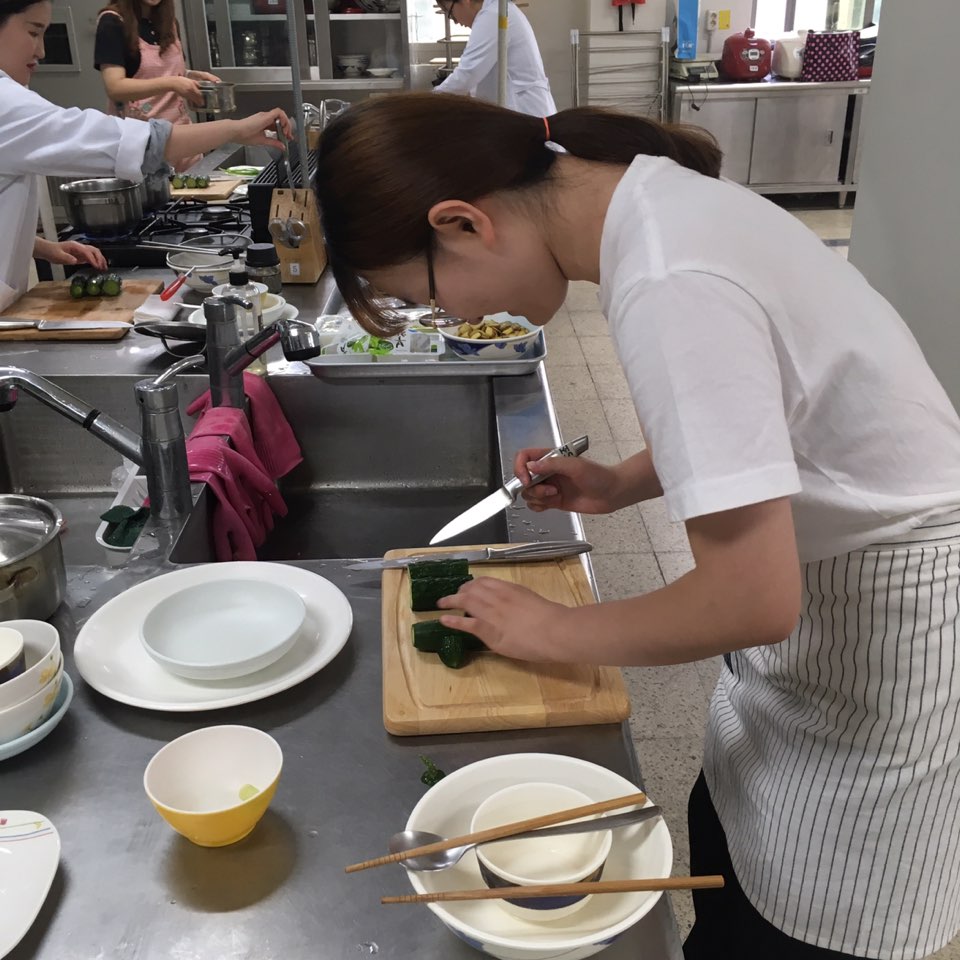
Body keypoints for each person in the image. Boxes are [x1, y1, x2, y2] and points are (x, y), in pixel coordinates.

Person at [315, 93, 960, 960]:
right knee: (735, 865)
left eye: (428, 299)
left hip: (888, 648)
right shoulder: (656, 204)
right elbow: (774, 409)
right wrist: (624, 482)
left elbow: (752, 600)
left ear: (463, 223)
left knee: (806, 928)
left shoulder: (667, 278)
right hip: (822, 643)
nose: (455, 321)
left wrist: (554, 630)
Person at [0, 0, 291, 311]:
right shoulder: (7, 104)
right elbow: (135, 142)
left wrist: (39, 246)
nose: (42, 51)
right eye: (33, 32)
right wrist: (235, 129)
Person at [94, 0, 219, 171]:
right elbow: (115, 87)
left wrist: (190, 75)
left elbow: (160, 71)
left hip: (182, 138)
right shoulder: (112, 22)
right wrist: (173, 83)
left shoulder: (170, 23)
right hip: (141, 145)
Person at [435, 0, 555, 116]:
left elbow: (467, 74)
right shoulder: (495, 11)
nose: (455, 22)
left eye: (450, 13)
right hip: (522, 113)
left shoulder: (493, 15)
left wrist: (428, 101)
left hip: (525, 112)